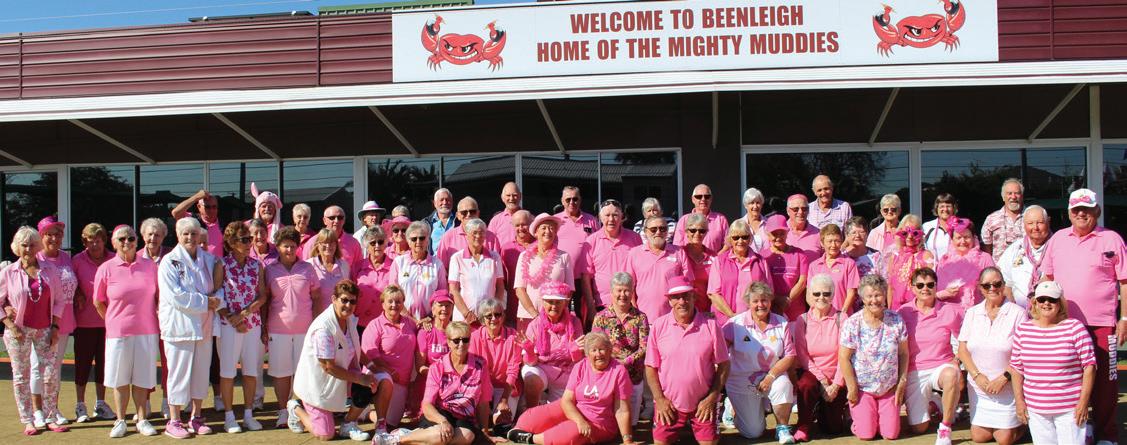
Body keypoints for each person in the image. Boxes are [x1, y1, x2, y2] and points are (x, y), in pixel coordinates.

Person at [1040, 188, 1126, 445]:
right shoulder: (1058, 239)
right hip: (1064, 324)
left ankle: (1107, 434)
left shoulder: (1112, 239)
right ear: (1069, 212)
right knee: (1069, 380)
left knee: (1106, 382)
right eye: (1076, 209)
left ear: (1096, 211)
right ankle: (1081, 430)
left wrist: (1124, 319)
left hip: (1102, 324)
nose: (1081, 214)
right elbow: (1047, 279)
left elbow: (1125, 283)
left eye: (1086, 209)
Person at [91, 225, 160, 437]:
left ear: (136, 241)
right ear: (114, 243)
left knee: (142, 378)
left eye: (130, 238)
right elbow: (98, 301)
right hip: (118, 333)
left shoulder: (150, 266)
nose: (126, 242)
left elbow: (159, 297)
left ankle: (142, 419)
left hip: (147, 331)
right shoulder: (106, 268)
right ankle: (120, 420)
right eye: (121, 239)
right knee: (119, 379)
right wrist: (112, 321)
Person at [508, 332, 637, 445]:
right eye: (594, 350)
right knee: (530, 418)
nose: (598, 354)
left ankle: (531, 438)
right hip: (576, 410)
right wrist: (579, 420)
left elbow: (622, 410)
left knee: (569, 434)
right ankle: (519, 428)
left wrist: (627, 440)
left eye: (602, 349)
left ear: (609, 350)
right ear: (587, 354)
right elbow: (567, 400)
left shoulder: (618, 371)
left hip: (599, 423)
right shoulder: (581, 366)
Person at [157, 218, 223, 439]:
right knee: (178, 374)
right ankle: (174, 420)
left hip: (204, 326)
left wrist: (216, 300)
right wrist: (207, 302)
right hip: (179, 328)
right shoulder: (169, 261)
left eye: (193, 234)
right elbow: (175, 296)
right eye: (185, 233)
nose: (190, 238)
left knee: (201, 373)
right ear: (177, 235)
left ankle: (196, 417)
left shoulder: (209, 259)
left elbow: (219, 286)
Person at [287, 280, 377, 440]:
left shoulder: (350, 319)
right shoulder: (323, 328)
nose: (348, 305)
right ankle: (296, 408)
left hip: (339, 379)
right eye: (344, 300)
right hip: (316, 387)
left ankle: (348, 424)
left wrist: (371, 366)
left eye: (352, 301)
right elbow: (328, 367)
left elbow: (354, 347)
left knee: (372, 382)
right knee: (326, 434)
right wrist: (360, 378)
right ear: (334, 299)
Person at [1, 226, 69, 436]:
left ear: (38, 246)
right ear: (17, 247)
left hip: (45, 329)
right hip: (18, 331)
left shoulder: (49, 269)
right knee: (21, 376)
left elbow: (60, 300)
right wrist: (10, 325)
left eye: (32, 245)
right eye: (24, 245)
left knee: (50, 375)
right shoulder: (8, 272)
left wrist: (55, 326)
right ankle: (28, 420)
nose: (28, 249)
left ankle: (50, 417)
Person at [645, 276, 729, 445]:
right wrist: (659, 399)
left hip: (703, 404)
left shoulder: (711, 325)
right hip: (668, 404)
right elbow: (650, 367)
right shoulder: (659, 326)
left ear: (694, 297)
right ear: (669, 301)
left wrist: (712, 397)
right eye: (676, 297)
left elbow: (724, 364)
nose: (682, 301)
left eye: (686, 296)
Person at [1010, 281, 1096, 445]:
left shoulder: (1075, 328)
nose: (1046, 303)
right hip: (1036, 409)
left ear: (1060, 303)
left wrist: (1083, 403)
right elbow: (1016, 369)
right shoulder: (1023, 330)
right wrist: (1019, 402)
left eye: (1052, 299)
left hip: (1070, 409)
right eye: (1042, 299)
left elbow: (1089, 367)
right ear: (1035, 302)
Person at [393, 321, 503, 444]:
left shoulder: (480, 365)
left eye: (465, 340)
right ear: (448, 342)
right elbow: (427, 404)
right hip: (439, 413)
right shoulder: (437, 367)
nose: (461, 344)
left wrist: (485, 433)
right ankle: (398, 439)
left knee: (467, 436)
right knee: (440, 434)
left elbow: (483, 402)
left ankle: (419, 437)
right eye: (456, 341)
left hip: (464, 418)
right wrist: (443, 421)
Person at [957, 267, 1026, 445]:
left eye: (997, 284)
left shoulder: (1018, 313)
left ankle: (1024, 424)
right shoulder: (972, 313)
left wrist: (1004, 378)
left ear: (1003, 285)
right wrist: (977, 376)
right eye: (987, 285)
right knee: (979, 437)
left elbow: (1023, 353)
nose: (992, 288)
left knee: (1004, 439)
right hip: (980, 386)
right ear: (980, 288)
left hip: (1007, 386)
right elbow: (962, 350)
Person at [722, 281, 798, 443]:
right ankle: (733, 407)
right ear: (748, 303)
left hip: (772, 375)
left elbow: (790, 355)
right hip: (741, 380)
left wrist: (771, 376)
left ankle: (782, 428)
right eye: (755, 301)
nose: (760, 305)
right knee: (753, 432)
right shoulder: (734, 324)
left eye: (764, 300)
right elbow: (719, 351)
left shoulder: (782, 322)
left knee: (784, 385)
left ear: (770, 301)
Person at [838, 274, 909, 441]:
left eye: (878, 295)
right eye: (869, 296)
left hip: (889, 388)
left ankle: (878, 419)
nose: (874, 300)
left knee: (890, 435)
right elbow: (844, 358)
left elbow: (904, 353)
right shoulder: (852, 323)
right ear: (862, 298)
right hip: (863, 389)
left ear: (884, 296)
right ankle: (861, 419)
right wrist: (852, 387)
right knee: (866, 435)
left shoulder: (896, 320)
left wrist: (901, 381)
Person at [897, 267, 963, 445]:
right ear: (912, 288)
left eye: (930, 284)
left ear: (936, 286)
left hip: (942, 366)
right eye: (920, 285)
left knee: (951, 375)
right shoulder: (903, 312)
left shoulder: (950, 310)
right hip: (914, 370)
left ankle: (945, 428)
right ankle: (935, 403)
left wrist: (957, 361)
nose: (925, 288)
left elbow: (964, 340)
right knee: (919, 428)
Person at [265, 226, 320, 428]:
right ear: (278, 247)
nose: (289, 250)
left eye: (292, 246)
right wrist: (263, 327)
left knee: (302, 373)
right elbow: (266, 300)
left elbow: (316, 297)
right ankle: (282, 411)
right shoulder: (269, 270)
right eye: (285, 246)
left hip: (305, 330)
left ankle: (298, 412)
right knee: (281, 373)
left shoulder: (308, 268)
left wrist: (315, 326)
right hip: (277, 329)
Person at [216, 222, 267, 434]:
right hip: (228, 326)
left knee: (250, 372)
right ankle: (229, 417)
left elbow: (262, 296)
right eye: (244, 240)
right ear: (231, 243)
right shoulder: (221, 264)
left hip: (252, 325)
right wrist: (232, 318)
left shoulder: (257, 265)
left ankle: (248, 415)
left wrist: (244, 315)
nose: (249, 243)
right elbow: (216, 296)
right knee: (228, 372)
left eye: (250, 239)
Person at [30, 216, 77, 428]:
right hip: (40, 322)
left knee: (55, 368)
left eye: (58, 234)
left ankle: (52, 408)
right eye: (49, 234)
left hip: (63, 320)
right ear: (41, 236)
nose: (54, 238)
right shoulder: (35, 259)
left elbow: (72, 284)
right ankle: (37, 411)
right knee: (37, 367)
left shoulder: (66, 258)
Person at [590, 272, 649, 425]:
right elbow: (595, 347)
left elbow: (644, 347)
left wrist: (624, 363)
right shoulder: (601, 317)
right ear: (611, 292)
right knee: (609, 421)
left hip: (633, 376)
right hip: (608, 377)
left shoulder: (641, 318)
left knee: (631, 423)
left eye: (627, 290)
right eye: (619, 290)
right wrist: (613, 365)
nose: (623, 295)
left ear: (632, 292)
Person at [793, 275, 848, 441]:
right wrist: (823, 381)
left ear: (833, 294)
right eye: (816, 293)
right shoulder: (802, 320)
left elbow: (845, 356)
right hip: (812, 373)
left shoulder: (842, 318)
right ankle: (803, 425)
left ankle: (821, 408)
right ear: (810, 294)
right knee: (806, 384)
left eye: (826, 293)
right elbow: (802, 356)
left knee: (833, 429)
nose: (821, 297)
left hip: (837, 375)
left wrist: (836, 385)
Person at [359, 285, 417, 438]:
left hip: (401, 381)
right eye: (390, 301)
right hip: (380, 374)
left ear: (403, 303)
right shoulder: (375, 325)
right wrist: (389, 371)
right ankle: (379, 423)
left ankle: (367, 413)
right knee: (386, 380)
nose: (394, 305)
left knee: (393, 423)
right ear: (383, 303)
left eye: (398, 301)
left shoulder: (410, 323)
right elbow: (370, 354)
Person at [71, 223, 112, 423]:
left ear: (104, 241)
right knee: (82, 366)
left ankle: (101, 404)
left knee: (104, 365)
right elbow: (70, 284)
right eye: (90, 241)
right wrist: (78, 293)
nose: (94, 245)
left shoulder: (114, 259)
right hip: (83, 322)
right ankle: (80, 405)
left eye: (98, 240)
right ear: (84, 242)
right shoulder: (77, 261)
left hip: (109, 322)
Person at [520, 281, 584, 408]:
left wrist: (574, 350)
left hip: (565, 374)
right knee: (531, 378)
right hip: (542, 369)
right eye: (550, 302)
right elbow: (530, 363)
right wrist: (529, 351)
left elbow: (579, 361)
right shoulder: (535, 324)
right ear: (543, 302)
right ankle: (531, 414)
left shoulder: (575, 322)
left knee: (562, 413)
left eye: (558, 302)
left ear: (565, 303)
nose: (554, 306)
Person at [580, 200, 642, 316]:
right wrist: (590, 307)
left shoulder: (635, 238)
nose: (611, 219)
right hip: (602, 306)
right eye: (607, 215)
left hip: (630, 305)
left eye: (615, 215)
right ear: (600, 217)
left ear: (622, 216)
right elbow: (586, 278)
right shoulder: (591, 242)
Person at [514, 213, 573, 331]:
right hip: (528, 316)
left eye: (551, 228)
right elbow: (519, 290)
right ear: (536, 232)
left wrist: (557, 313)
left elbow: (569, 290)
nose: (548, 231)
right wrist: (535, 315)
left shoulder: (564, 256)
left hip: (555, 317)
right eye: (544, 228)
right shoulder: (524, 256)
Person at [707, 219, 772, 325]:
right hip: (726, 321)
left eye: (744, 237)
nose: (740, 241)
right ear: (730, 239)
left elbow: (769, 291)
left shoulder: (760, 261)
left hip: (755, 321)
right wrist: (733, 316)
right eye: (736, 237)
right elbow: (713, 294)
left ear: (750, 238)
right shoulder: (719, 261)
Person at [468, 298, 520, 425]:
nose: (494, 319)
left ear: (503, 316)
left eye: (497, 314)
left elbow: (513, 371)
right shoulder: (474, 337)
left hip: (506, 388)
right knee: (477, 421)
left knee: (501, 421)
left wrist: (504, 400)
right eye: (489, 316)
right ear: (482, 319)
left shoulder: (513, 336)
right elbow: (473, 369)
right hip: (483, 387)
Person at [446, 218, 504, 325]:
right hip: (464, 318)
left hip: (488, 318)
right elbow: (453, 290)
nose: (478, 236)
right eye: (474, 233)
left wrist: (494, 311)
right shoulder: (457, 258)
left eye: (481, 233)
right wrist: (466, 313)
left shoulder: (495, 257)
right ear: (466, 235)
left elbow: (500, 287)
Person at [410, 291, 457, 420]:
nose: (444, 309)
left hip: (452, 383)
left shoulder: (456, 331)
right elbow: (420, 367)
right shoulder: (425, 332)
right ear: (433, 309)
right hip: (429, 381)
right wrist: (438, 376)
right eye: (440, 305)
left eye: (448, 305)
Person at [388, 221, 448, 321]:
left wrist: (429, 318)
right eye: (414, 239)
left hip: (429, 321)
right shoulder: (399, 262)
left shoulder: (437, 264)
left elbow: (442, 295)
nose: (418, 241)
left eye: (422, 238)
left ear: (428, 240)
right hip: (402, 319)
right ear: (408, 242)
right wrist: (411, 319)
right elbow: (392, 293)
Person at [935, 217, 995, 311]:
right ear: (952, 240)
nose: (962, 241)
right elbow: (934, 291)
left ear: (974, 238)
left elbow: (994, 287)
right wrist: (944, 293)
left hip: (976, 312)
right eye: (958, 238)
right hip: (947, 312)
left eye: (966, 237)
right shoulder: (944, 260)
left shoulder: (985, 258)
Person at [997, 205, 1050, 308]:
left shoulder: (1057, 246)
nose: (1035, 227)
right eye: (1030, 223)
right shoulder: (1015, 248)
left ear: (1048, 222)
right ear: (1024, 225)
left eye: (1040, 222)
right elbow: (1006, 285)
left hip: (1050, 311)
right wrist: (1015, 310)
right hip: (1020, 311)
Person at [761, 214, 809, 320]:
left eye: (782, 233)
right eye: (774, 234)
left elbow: (802, 282)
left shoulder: (800, 254)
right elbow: (761, 284)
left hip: (796, 313)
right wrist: (777, 299)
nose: (778, 237)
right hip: (771, 312)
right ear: (768, 234)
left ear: (787, 233)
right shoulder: (762, 256)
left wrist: (787, 300)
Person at [884, 214, 935, 309]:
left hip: (918, 309)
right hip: (897, 309)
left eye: (914, 233)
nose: (910, 236)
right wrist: (889, 311)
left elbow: (931, 286)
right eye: (905, 233)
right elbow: (890, 288)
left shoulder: (926, 255)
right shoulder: (895, 257)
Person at [808, 224, 860, 313]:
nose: (833, 245)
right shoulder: (814, 266)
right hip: (820, 316)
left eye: (837, 241)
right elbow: (809, 294)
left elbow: (851, 293)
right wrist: (818, 312)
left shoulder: (849, 264)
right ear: (822, 243)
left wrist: (841, 314)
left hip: (842, 315)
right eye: (829, 241)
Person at [435, 197, 502, 267]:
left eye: (472, 211)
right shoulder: (448, 237)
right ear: (458, 216)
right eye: (464, 212)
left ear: (478, 213)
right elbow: (441, 267)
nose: (468, 214)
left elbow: (497, 265)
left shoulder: (490, 237)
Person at [554, 186, 600, 274]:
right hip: (562, 274)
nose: (572, 202)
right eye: (568, 199)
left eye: (575, 199)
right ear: (562, 201)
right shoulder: (555, 220)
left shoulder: (592, 220)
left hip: (586, 275)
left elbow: (599, 244)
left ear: (580, 200)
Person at [354, 226, 393, 330]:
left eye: (380, 242)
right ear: (366, 245)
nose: (377, 246)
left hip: (385, 324)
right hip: (359, 323)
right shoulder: (357, 267)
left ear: (385, 243)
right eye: (372, 243)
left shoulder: (394, 266)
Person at [501, 210, 535, 324]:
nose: (520, 228)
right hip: (513, 307)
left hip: (536, 304)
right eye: (517, 225)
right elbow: (503, 281)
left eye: (524, 224)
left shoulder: (540, 246)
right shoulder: (506, 249)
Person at [302, 206, 362, 270]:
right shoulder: (312, 242)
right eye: (332, 218)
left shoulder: (353, 243)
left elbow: (358, 269)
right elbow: (305, 269)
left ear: (344, 220)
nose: (336, 221)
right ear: (324, 220)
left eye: (340, 218)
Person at [673, 184, 729, 252]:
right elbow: (677, 247)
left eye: (707, 196)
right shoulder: (684, 220)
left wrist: (715, 257)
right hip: (689, 258)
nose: (703, 199)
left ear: (711, 199)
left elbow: (728, 244)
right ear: (693, 199)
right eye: (699, 197)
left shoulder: (721, 219)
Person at [981, 178, 1025, 261]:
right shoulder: (992, 219)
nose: (1013, 197)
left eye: (1017, 193)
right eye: (1009, 193)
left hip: (1026, 268)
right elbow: (986, 249)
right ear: (1003, 197)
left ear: (1022, 196)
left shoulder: (1032, 217)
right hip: (999, 268)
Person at [170, 189, 224, 258]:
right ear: (199, 207)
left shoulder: (223, 223)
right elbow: (176, 213)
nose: (211, 210)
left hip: (218, 264)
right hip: (196, 263)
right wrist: (196, 197)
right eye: (207, 207)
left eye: (214, 207)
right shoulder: (193, 220)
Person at [309, 228, 350, 315]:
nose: (328, 246)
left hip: (338, 316)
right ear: (318, 245)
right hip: (315, 317)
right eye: (324, 242)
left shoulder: (344, 265)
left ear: (336, 245)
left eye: (331, 243)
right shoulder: (309, 265)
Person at [680, 213, 716, 313]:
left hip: (706, 311)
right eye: (693, 230)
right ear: (686, 232)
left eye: (702, 231)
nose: (697, 233)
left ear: (706, 233)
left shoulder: (713, 256)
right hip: (684, 310)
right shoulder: (679, 254)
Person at [923, 193, 958, 258]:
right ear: (937, 208)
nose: (945, 209)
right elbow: (920, 248)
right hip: (932, 264)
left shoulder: (960, 226)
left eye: (948, 206)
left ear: (953, 208)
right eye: (942, 206)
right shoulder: (927, 226)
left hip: (955, 263)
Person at [488, 181, 523, 246]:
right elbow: (489, 245)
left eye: (515, 195)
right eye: (508, 195)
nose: (511, 198)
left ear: (520, 196)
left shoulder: (529, 219)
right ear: (502, 198)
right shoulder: (495, 221)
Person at [424, 188, 457, 254]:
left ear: (452, 202)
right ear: (435, 203)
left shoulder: (459, 221)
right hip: (434, 260)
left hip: (456, 260)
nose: (445, 202)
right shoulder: (425, 224)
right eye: (441, 200)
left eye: (447, 200)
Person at [738, 188, 770, 252]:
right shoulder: (739, 224)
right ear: (746, 205)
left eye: (758, 203)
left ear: (761, 205)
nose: (755, 206)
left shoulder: (769, 224)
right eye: (752, 203)